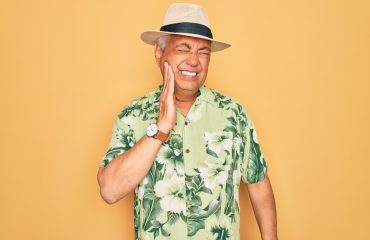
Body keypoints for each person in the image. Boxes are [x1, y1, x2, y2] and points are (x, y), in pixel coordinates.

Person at [97, 3, 277, 240]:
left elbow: (258, 185)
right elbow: (110, 190)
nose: (194, 61)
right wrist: (161, 127)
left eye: (203, 52)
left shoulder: (234, 113)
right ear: (159, 53)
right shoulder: (132, 116)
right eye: (183, 49)